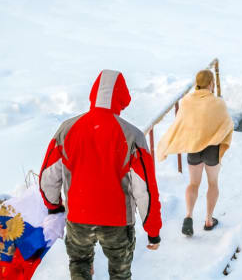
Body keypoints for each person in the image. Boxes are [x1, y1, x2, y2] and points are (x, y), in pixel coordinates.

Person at [39, 70, 162, 280]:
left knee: (79, 265)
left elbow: (48, 177)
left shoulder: (66, 129)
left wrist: (54, 206)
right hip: (118, 222)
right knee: (120, 273)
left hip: (78, 218)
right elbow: (144, 189)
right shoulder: (133, 136)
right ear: (122, 98)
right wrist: (152, 229)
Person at [157, 69, 233, 236]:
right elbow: (227, 124)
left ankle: (189, 216)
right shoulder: (218, 102)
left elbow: (180, 123)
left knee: (193, 184)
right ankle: (208, 220)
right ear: (211, 83)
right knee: (213, 183)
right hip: (212, 148)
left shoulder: (186, 101)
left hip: (194, 148)